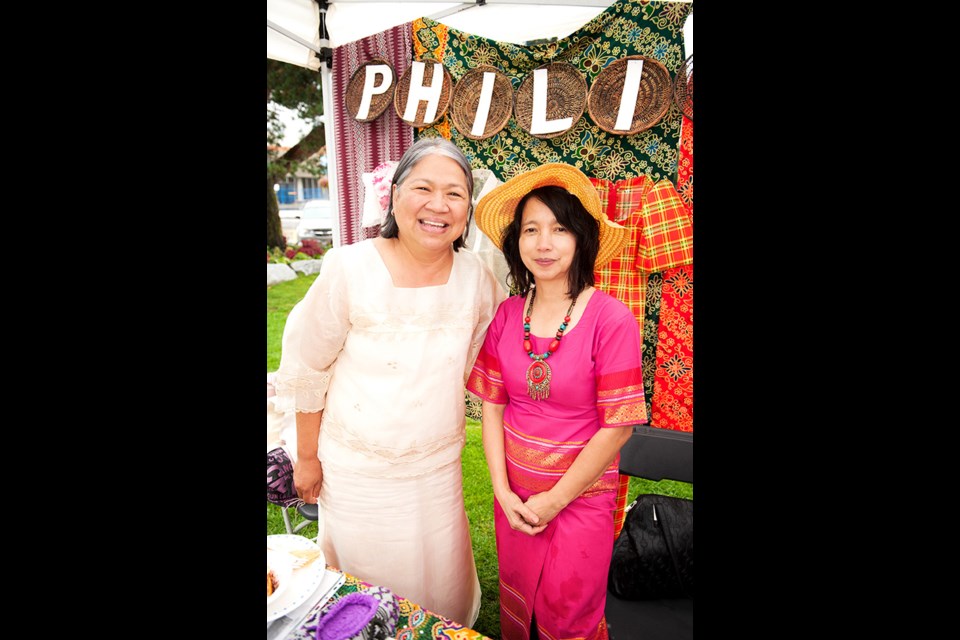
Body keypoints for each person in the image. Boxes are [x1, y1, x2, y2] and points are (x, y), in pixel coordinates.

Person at [273, 137, 506, 626]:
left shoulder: (477, 279)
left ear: (469, 207)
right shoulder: (349, 268)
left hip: (436, 468)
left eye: (455, 193)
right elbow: (308, 369)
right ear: (395, 195)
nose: (438, 205)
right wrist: (309, 459)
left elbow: (483, 369)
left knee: (437, 573)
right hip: (359, 471)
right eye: (423, 187)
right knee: (367, 591)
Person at [466, 163, 647, 640]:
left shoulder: (612, 319)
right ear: (516, 242)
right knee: (520, 604)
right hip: (516, 501)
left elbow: (619, 426)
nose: (543, 243)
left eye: (559, 229)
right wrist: (503, 493)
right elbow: (493, 406)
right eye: (531, 229)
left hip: (579, 502)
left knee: (569, 615)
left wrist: (555, 500)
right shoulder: (508, 315)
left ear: (581, 238)